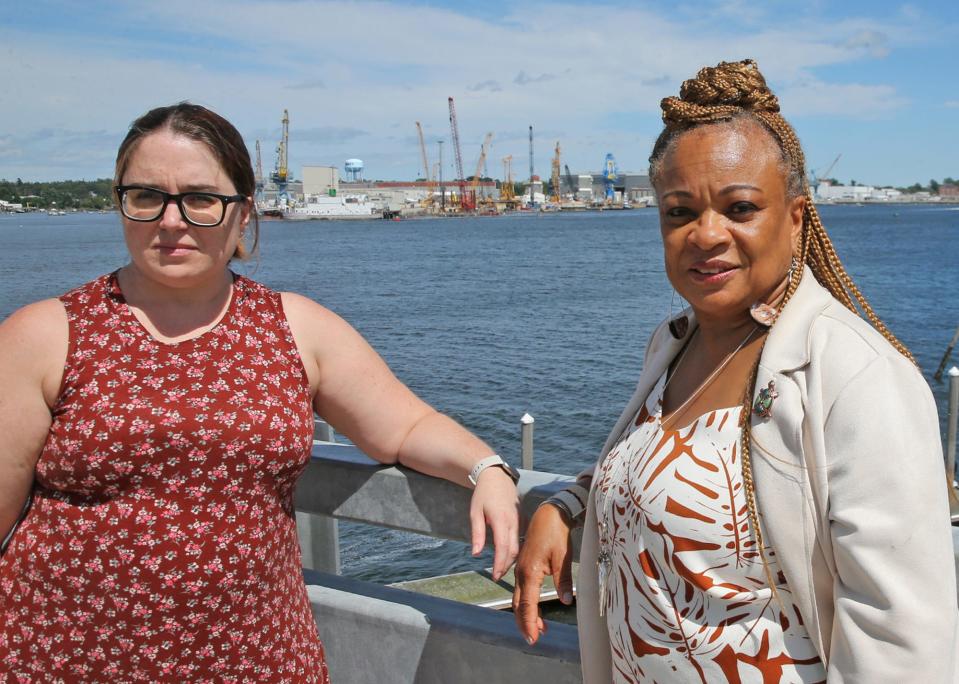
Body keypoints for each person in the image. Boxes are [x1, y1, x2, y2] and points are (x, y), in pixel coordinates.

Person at [0, 102, 520, 682]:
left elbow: (404, 427)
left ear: (243, 212)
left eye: (200, 199)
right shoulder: (45, 334)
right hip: (62, 658)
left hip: (256, 658)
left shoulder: (296, 328)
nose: (172, 220)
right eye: (147, 196)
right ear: (121, 202)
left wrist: (486, 468)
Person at [513, 59, 958, 682]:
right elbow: (665, 468)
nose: (705, 234)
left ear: (796, 217)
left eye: (740, 207)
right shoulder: (673, 347)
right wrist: (567, 505)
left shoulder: (857, 376)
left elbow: (901, 638)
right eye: (678, 211)